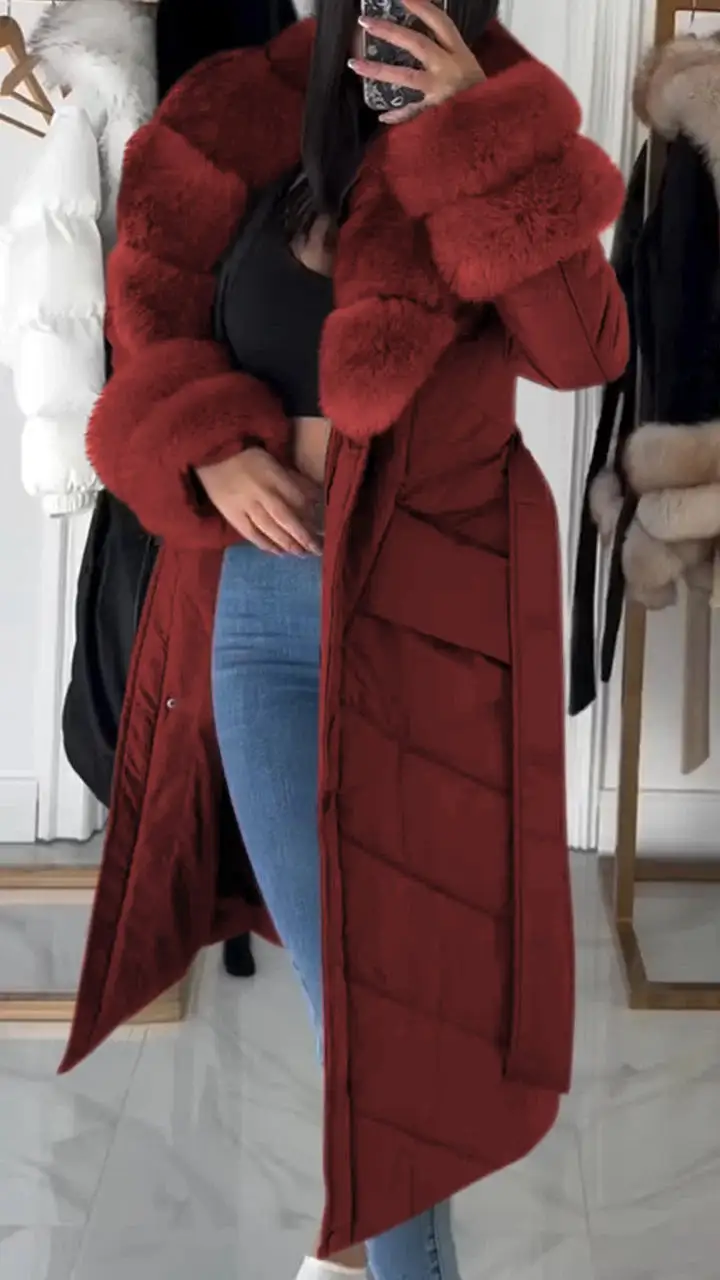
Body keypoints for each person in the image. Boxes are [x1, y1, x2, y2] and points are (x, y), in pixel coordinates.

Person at [61, 2, 629, 1278]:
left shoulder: (499, 116)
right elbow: (144, 335)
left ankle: (356, 1252)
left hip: (435, 622)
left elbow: (584, 347)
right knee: (356, 1004)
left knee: (391, 1016)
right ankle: (359, 1249)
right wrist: (210, 452)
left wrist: (471, 126)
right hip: (263, 620)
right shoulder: (224, 122)